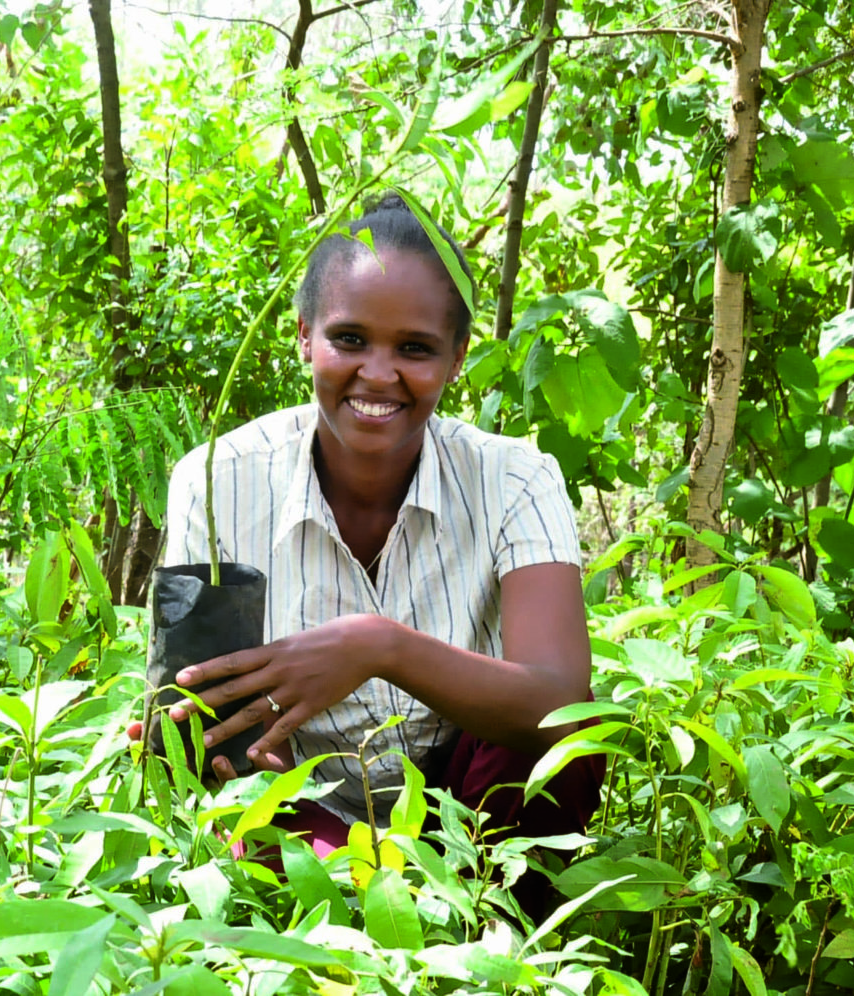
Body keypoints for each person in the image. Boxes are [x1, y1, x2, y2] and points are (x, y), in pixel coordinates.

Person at [139, 192, 601, 910]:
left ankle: (487, 920)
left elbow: (562, 700)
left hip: (476, 813)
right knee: (199, 737)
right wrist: (203, 748)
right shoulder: (217, 478)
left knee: (562, 746)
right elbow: (212, 708)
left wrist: (378, 646)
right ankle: (334, 907)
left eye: (414, 348)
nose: (379, 374)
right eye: (349, 339)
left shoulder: (515, 477)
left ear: (455, 359)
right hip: (297, 804)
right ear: (303, 337)